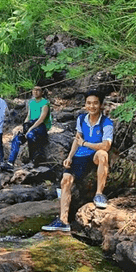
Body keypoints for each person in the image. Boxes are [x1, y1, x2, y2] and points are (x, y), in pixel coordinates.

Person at [42, 90, 114, 232]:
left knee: (102, 154)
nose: (91, 106)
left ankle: (99, 195)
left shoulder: (107, 123)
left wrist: (86, 143)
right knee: (65, 180)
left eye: (95, 103)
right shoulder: (81, 119)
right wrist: (69, 157)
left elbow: (106, 145)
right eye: (89, 103)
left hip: (94, 156)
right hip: (79, 157)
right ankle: (63, 221)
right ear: (85, 104)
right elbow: (77, 139)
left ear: (100, 105)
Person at [3, 85, 52, 171]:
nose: (35, 92)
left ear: (42, 92)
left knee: (30, 135)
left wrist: (30, 129)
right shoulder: (31, 102)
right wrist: (24, 126)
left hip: (41, 127)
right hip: (31, 124)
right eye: (34, 90)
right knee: (17, 138)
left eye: (38, 90)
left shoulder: (45, 103)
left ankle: (33, 160)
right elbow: (29, 116)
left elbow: (41, 119)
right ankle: (10, 162)